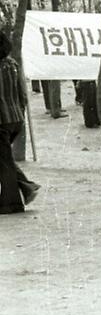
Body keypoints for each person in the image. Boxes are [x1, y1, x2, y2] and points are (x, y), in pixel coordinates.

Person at [0, 32, 41, 214]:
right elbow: (23, 95)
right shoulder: (12, 64)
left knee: (4, 161)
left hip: (2, 120)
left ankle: (12, 204)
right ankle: (27, 187)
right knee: (4, 158)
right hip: (15, 119)